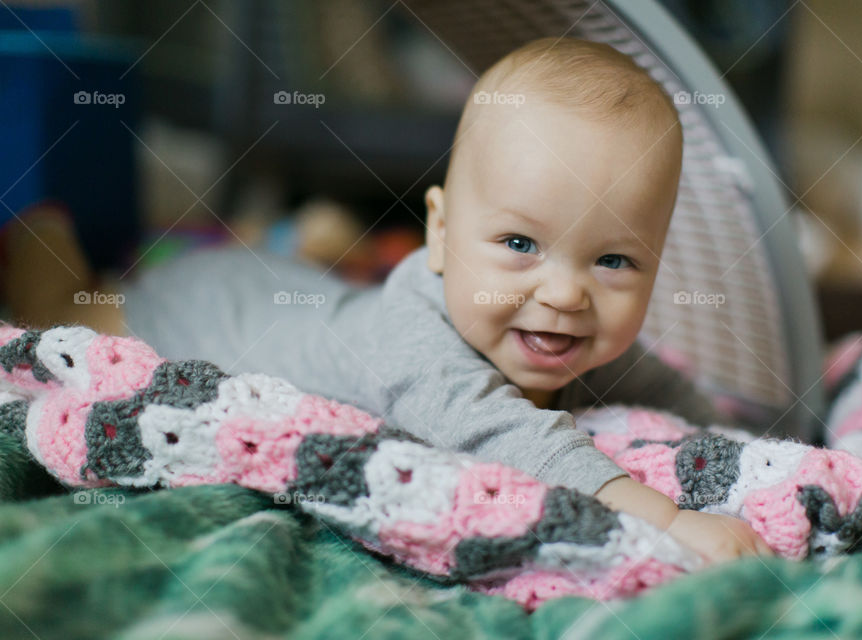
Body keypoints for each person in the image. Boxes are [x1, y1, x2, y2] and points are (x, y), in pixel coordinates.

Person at [0, 37, 772, 565]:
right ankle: (47, 242)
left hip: (290, 291)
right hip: (190, 309)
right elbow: (508, 436)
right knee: (67, 310)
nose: (566, 293)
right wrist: (670, 521)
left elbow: (658, 386)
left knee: (310, 267)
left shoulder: (553, 325)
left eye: (613, 260)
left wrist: (744, 434)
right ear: (439, 233)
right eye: (520, 245)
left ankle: (292, 240)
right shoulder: (419, 348)